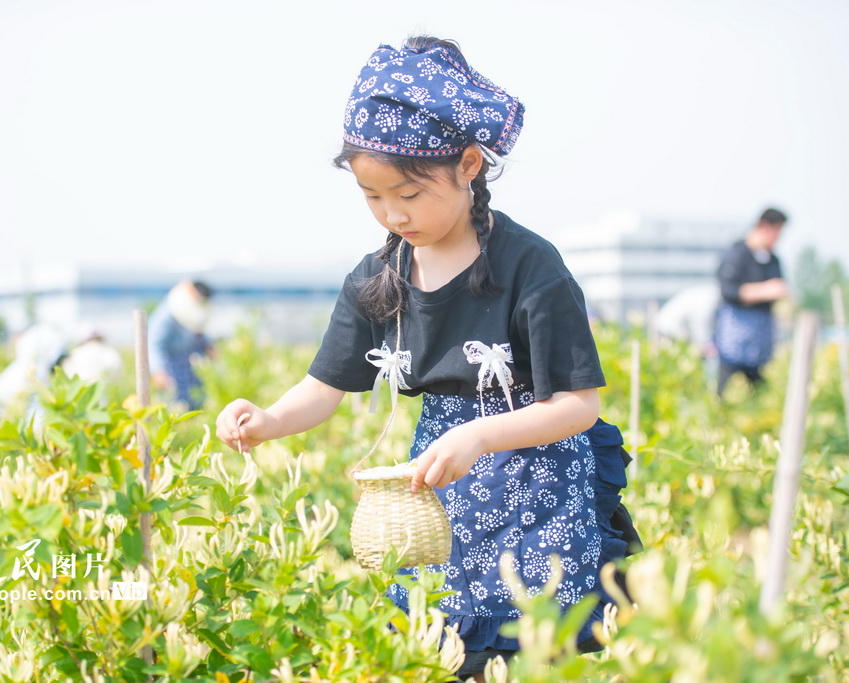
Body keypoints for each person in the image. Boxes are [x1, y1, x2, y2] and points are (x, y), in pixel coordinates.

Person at [215, 36, 636, 680]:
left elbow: (578, 406)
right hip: (442, 485)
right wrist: (267, 420)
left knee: (535, 645)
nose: (392, 214)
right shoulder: (376, 277)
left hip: (540, 480)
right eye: (372, 197)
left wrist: (481, 436)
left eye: (409, 195)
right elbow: (323, 388)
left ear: (468, 165)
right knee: (442, 645)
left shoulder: (530, 266)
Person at [714, 208, 790, 397]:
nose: (778, 239)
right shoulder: (737, 253)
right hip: (734, 337)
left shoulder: (773, 260)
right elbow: (728, 290)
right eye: (777, 232)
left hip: (761, 341)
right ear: (765, 226)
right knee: (725, 392)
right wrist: (765, 290)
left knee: (760, 393)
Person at [147, 280, 215, 410]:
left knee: (196, 403)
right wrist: (158, 371)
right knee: (175, 405)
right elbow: (154, 344)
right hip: (171, 365)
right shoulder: (168, 313)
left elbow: (199, 331)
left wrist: (208, 346)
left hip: (190, 365)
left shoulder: (198, 310)